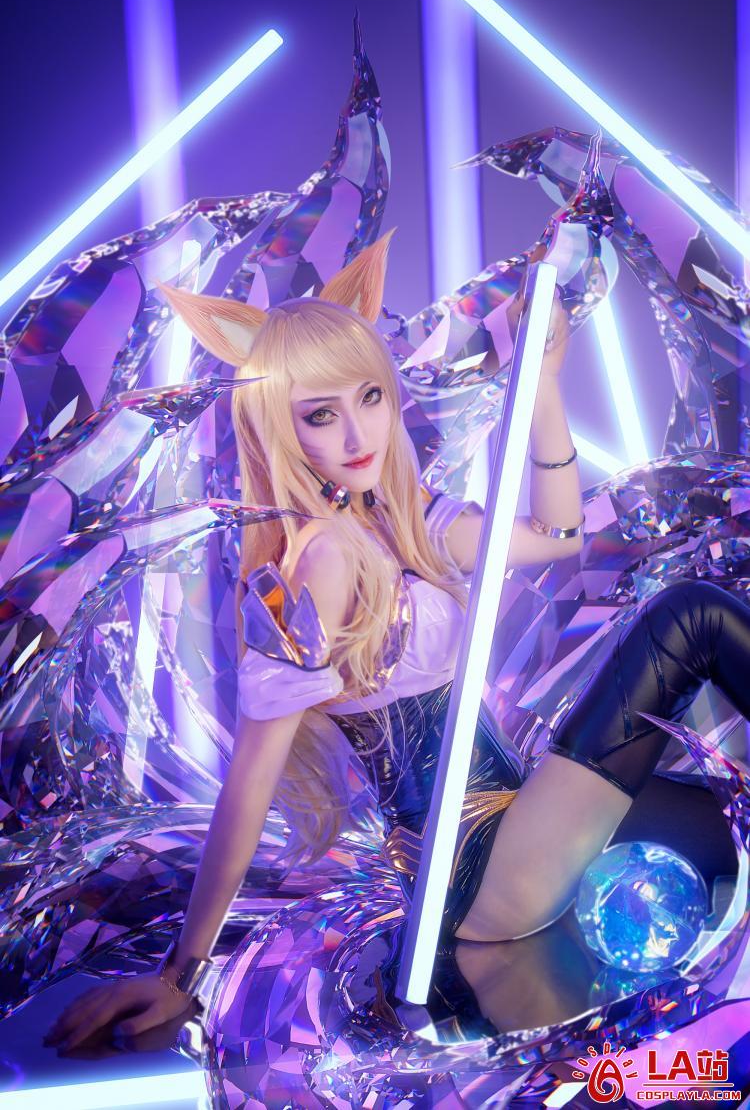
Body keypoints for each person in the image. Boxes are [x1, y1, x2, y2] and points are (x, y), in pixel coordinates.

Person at [43, 232, 750, 1050]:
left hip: (522, 820)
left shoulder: (402, 520)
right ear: (281, 431)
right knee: (690, 618)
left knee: (715, 820)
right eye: (321, 414)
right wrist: (180, 975)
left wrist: (545, 383)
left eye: (370, 397)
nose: (357, 434)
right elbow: (250, 780)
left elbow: (559, 533)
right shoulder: (320, 560)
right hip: (477, 869)